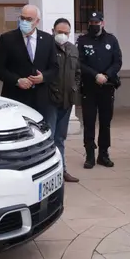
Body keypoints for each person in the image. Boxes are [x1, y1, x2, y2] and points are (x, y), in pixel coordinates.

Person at [0, 4, 59, 131]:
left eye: (29, 19)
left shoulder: (47, 39)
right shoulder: (7, 38)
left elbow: (55, 68)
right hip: (15, 97)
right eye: (22, 18)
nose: (24, 22)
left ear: (37, 21)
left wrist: (43, 77)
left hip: (41, 99)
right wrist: (17, 81)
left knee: (40, 133)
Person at [77, 11, 122, 169]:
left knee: (105, 123)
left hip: (107, 87)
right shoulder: (82, 40)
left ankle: (104, 154)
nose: (94, 25)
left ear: (102, 23)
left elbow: (117, 62)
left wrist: (107, 75)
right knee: (89, 123)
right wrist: (95, 75)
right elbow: (80, 63)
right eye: (92, 22)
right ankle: (90, 154)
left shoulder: (111, 39)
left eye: (97, 22)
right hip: (89, 88)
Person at [50, 18, 81, 183]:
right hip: (50, 101)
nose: (62, 35)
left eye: (65, 33)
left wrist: (74, 87)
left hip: (67, 101)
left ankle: (62, 171)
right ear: (53, 31)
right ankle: (50, 173)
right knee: (49, 138)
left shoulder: (73, 49)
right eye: (59, 32)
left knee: (60, 138)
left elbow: (77, 73)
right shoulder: (47, 48)